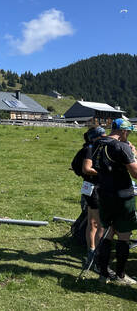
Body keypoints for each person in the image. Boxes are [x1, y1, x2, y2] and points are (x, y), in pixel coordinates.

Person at [94, 118, 137, 285]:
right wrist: (133, 154)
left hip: (104, 194)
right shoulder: (121, 146)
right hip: (122, 196)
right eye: (129, 132)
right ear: (124, 131)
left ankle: (103, 273)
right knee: (124, 236)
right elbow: (135, 173)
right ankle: (120, 275)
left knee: (107, 234)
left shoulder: (99, 143)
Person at [80, 126, 106, 267]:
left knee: (92, 222)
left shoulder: (90, 147)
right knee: (98, 223)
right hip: (95, 189)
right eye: (103, 136)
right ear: (97, 137)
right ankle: (95, 256)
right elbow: (86, 168)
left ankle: (91, 252)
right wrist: (105, 171)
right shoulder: (92, 148)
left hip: (89, 187)